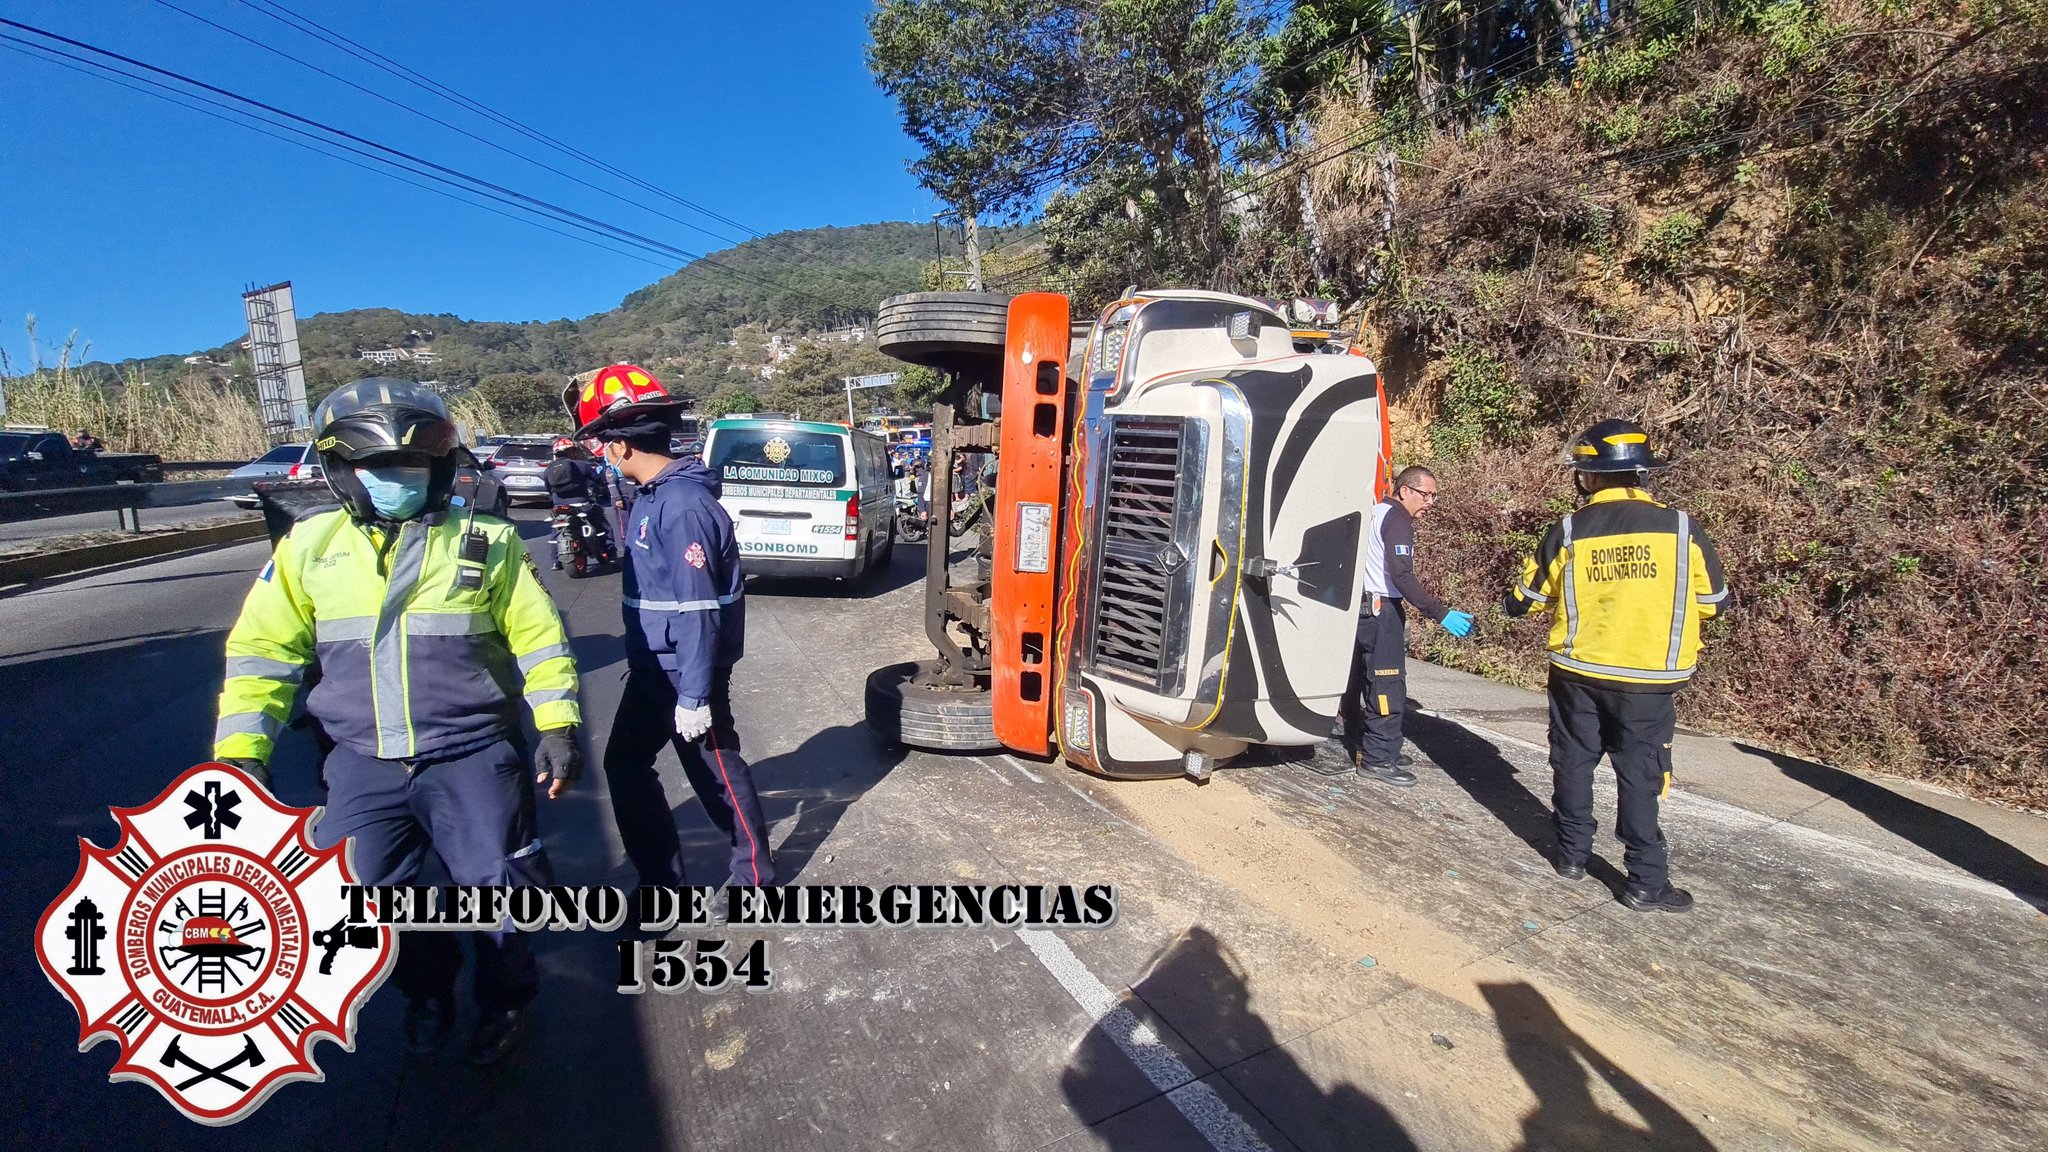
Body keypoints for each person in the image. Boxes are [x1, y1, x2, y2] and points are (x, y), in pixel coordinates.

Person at [213, 377, 583, 1063]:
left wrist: (557, 725)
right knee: (378, 899)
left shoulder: (488, 540)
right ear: (343, 473)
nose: (398, 479)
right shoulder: (308, 547)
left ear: (440, 468)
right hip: (361, 760)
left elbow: (540, 639)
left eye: (413, 466)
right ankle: (427, 994)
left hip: (471, 751)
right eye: (381, 468)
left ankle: (504, 1005)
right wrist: (241, 753)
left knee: (499, 891)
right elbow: (263, 652)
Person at [1502, 419, 1729, 914]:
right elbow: (1714, 601)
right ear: (1642, 473)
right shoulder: (1682, 528)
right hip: (1648, 679)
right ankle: (1646, 881)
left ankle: (1571, 855)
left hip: (1578, 674)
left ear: (1588, 475)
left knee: (1573, 762)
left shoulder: (1568, 530)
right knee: (1641, 775)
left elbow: (1524, 600)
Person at [568, 363, 776, 890]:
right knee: (626, 765)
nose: (602, 455)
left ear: (620, 446)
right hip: (653, 666)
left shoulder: (681, 505)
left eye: (602, 444)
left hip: (684, 670)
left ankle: (754, 877)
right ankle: (661, 879)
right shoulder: (653, 497)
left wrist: (696, 694)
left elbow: (699, 608)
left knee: (716, 773)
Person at [1339, 465, 1475, 787]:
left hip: (1363, 609)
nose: (1430, 502)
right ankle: (1378, 758)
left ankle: (1366, 743)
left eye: (1434, 496)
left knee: (1360, 681)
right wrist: (1440, 613)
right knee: (1387, 686)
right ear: (1405, 491)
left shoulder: (1375, 512)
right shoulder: (1398, 519)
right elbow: (1402, 575)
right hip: (1382, 611)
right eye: (1426, 495)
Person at [543, 439, 610, 571]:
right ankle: (609, 552)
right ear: (571, 451)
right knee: (602, 524)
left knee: (556, 530)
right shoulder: (582, 465)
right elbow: (598, 480)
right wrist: (603, 488)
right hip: (582, 504)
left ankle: (555, 562)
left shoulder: (549, 470)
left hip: (559, 506)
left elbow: (548, 488)